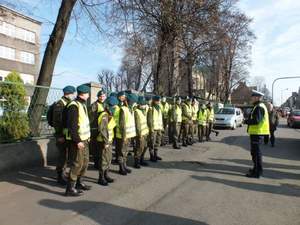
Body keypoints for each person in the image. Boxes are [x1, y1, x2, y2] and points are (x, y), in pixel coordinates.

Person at [65, 84, 92, 197]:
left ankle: (79, 183)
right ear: (83, 94)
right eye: (87, 93)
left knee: (85, 163)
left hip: (84, 139)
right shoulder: (73, 106)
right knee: (77, 164)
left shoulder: (82, 105)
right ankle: (70, 188)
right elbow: (72, 126)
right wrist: (77, 141)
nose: (89, 95)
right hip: (77, 141)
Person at [52, 85, 75, 185]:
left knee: (66, 155)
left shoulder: (68, 103)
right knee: (62, 156)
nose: (74, 95)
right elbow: (57, 122)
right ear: (68, 93)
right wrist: (60, 135)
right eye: (73, 93)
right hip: (61, 135)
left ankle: (63, 174)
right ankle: (60, 176)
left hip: (67, 135)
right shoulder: (59, 104)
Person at [245, 90, 270, 178]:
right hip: (256, 133)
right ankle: (255, 168)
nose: (251, 98)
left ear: (257, 97)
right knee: (254, 153)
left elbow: (256, 120)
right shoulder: (257, 106)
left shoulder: (259, 107)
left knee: (256, 153)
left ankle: (257, 172)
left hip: (258, 133)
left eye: (253, 97)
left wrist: (246, 121)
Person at [97, 96, 118, 186]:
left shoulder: (109, 114)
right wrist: (105, 142)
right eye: (113, 106)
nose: (115, 108)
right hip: (103, 141)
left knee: (108, 158)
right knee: (104, 159)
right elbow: (103, 130)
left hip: (109, 140)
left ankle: (106, 175)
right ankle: (101, 177)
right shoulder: (104, 115)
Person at [115, 91, 136, 175]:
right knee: (121, 152)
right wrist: (124, 136)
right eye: (132, 102)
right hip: (123, 135)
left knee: (125, 152)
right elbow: (122, 124)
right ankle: (121, 168)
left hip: (128, 135)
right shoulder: (123, 109)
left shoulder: (129, 109)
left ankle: (124, 165)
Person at [88, 90, 106, 169]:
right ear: (98, 97)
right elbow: (91, 118)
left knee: (101, 147)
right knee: (96, 147)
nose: (102, 98)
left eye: (103, 96)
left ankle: (99, 162)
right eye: (100, 96)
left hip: (102, 128)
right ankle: (96, 163)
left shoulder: (105, 104)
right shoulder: (94, 105)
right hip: (95, 129)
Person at [133, 96, 150, 168]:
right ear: (139, 104)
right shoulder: (137, 112)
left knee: (145, 147)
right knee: (139, 148)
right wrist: (139, 134)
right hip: (140, 134)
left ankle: (141, 159)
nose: (144, 105)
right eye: (142, 104)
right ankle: (136, 162)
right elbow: (137, 125)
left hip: (145, 132)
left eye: (144, 104)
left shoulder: (144, 110)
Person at [147, 95, 163, 162]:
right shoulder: (151, 108)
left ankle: (156, 155)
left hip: (159, 128)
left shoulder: (159, 108)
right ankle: (152, 156)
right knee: (152, 142)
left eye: (159, 100)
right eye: (158, 100)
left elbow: (160, 118)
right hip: (154, 129)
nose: (159, 101)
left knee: (158, 142)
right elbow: (149, 120)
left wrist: (162, 127)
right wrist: (151, 128)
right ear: (155, 101)